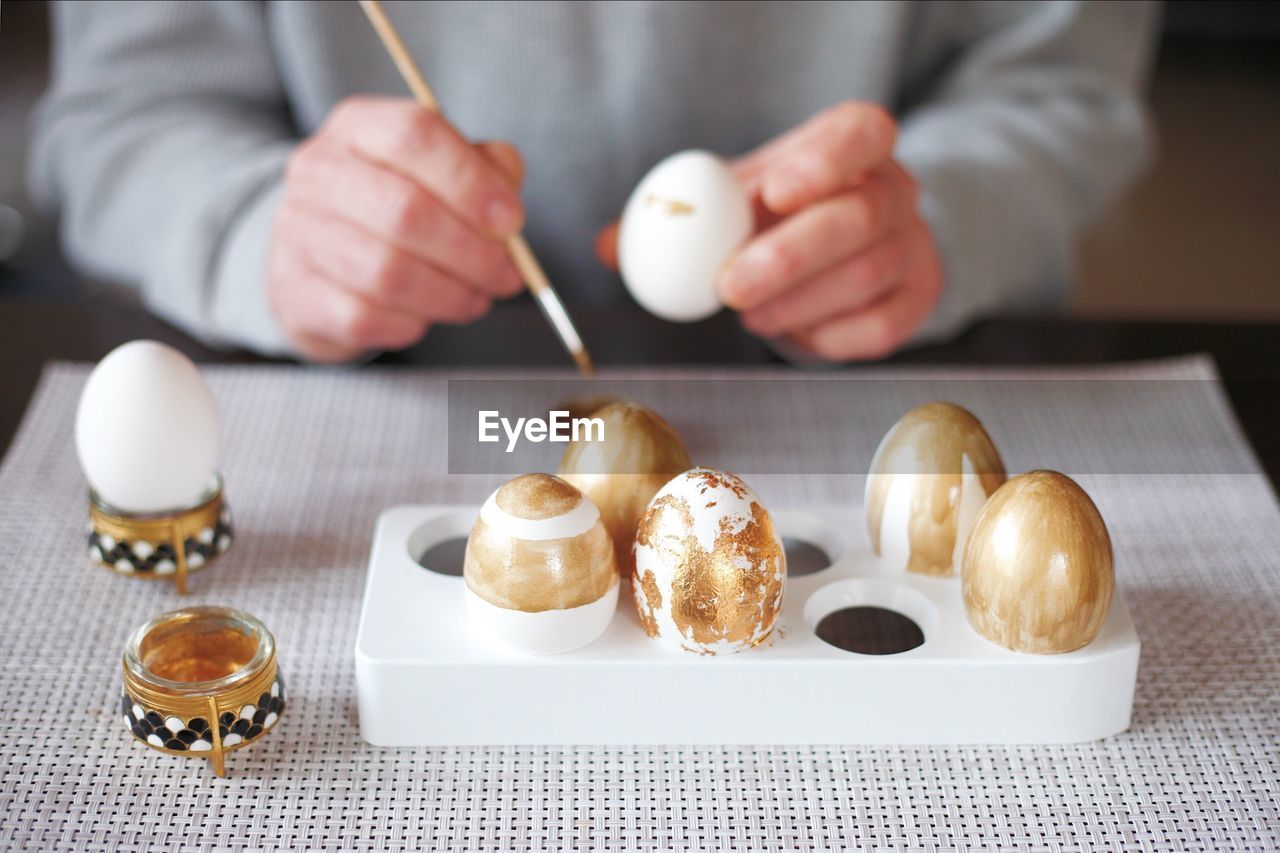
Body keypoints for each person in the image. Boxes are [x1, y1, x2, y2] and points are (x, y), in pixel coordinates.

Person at [30, 1, 1157, 364]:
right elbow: (119, 114)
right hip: (373, 391)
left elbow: (1060, 82)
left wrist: (937, 211)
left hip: (877, 373)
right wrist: (262, 230)